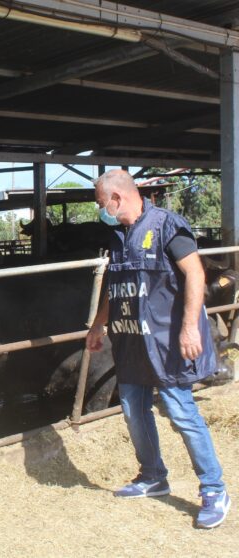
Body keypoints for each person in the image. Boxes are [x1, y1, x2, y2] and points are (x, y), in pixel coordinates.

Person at [86, 169, 230, 529]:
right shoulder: (117, 235)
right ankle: (152, 476)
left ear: (116, 199)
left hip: (167, 342)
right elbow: (113, 283)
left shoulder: (167, 226)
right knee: (134, 411)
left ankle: (214, 490)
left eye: (101, 203)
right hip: (131, 340)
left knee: (181, 413)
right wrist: (99, 323)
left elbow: (195, 274)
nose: (100, 210)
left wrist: (188, 329)